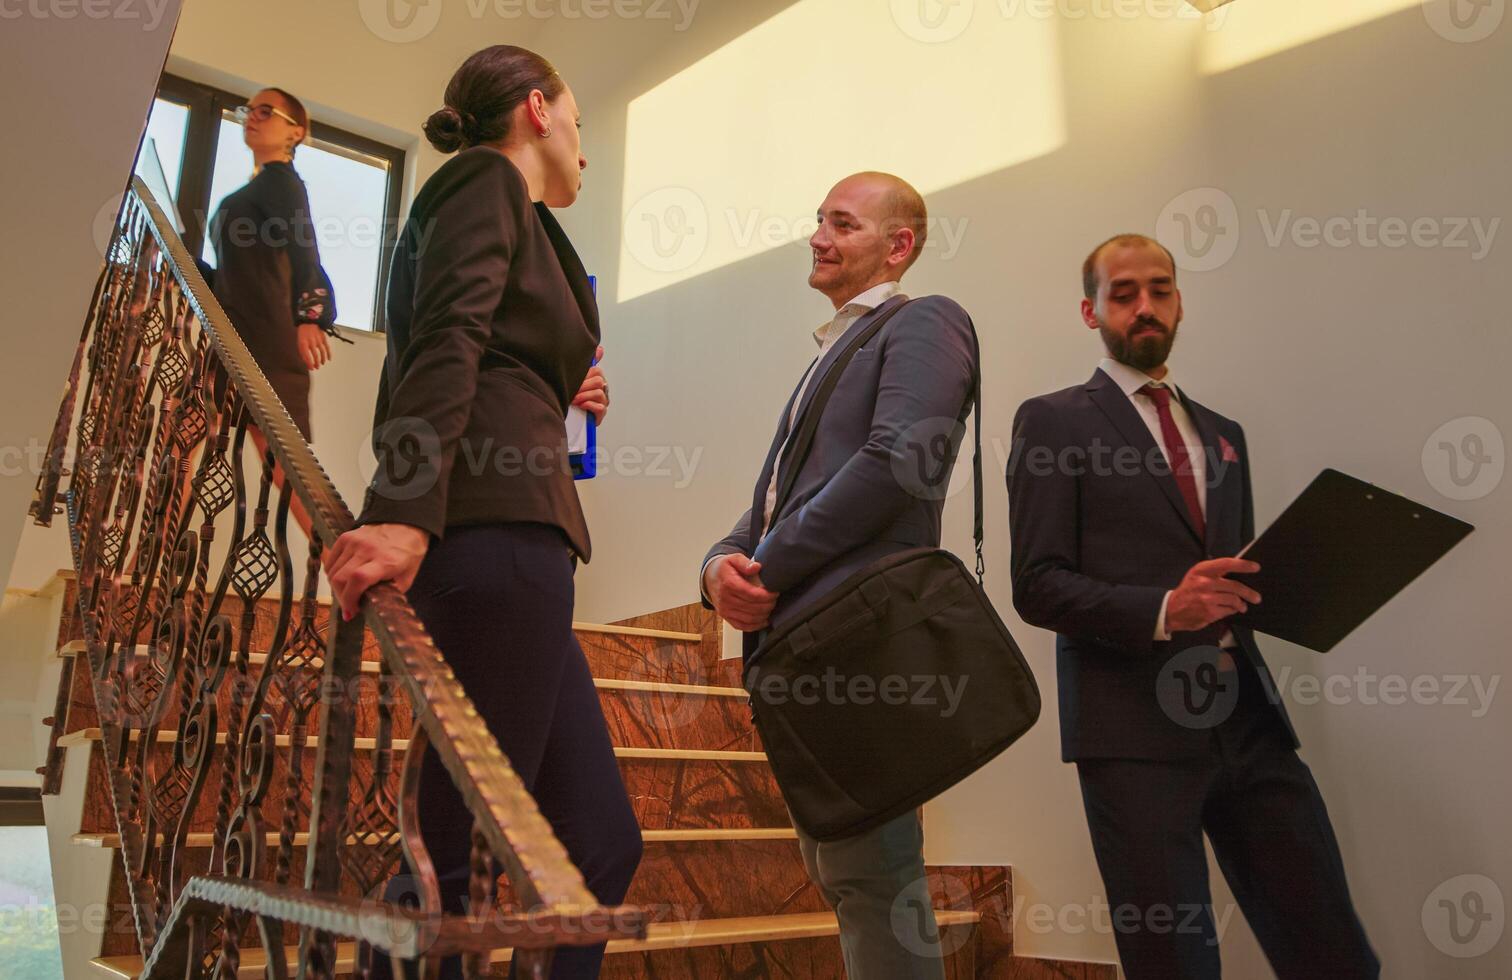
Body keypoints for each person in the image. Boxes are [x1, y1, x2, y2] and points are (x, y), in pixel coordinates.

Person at [324, 45, 638, 980]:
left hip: (524, 533)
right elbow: (446, 336)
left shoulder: (523, 216)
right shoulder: (482, 180)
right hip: (490, 536)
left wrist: (557, 384)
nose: (585, 145)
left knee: (600, 844)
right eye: (579, 121)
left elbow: (486, 338)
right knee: (448, 857)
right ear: (538, 110)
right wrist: (402, 510)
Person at [1006, 234, 1380, 979]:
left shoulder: (1224, 435)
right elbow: (1037, 583)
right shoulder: (1053, 422)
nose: (1145, 306)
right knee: (1175, 962)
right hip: (1133, 728)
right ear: (1091, 311)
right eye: (1124, 293)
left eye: (1161, 289)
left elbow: (1230, 577)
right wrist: (1163, 609)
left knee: (1333, 949)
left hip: (1247, 716)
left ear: (1179, 301)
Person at [700, 172, 977, 980]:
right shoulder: (829, 355)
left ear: (899, 245)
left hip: (863, 651)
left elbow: (899, 462)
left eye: (842, 224)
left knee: (873, 878)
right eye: (819, 221)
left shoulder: (926, 321)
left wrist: (770, 571)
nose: (818, 237)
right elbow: (775, 502)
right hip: (807, 658)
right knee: (844, 874)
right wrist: (719, 567)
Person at [205, 87, 340, 439]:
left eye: (265, 111)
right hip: (234, 336)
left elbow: (304, 246)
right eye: (247, 110)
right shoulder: (256, 189)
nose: (251, 117)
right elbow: (236, 276)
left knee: (283, 473)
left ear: (295, 132)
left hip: (267, 343)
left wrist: (311, 317)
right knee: (187, 437)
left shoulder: (282, 182)